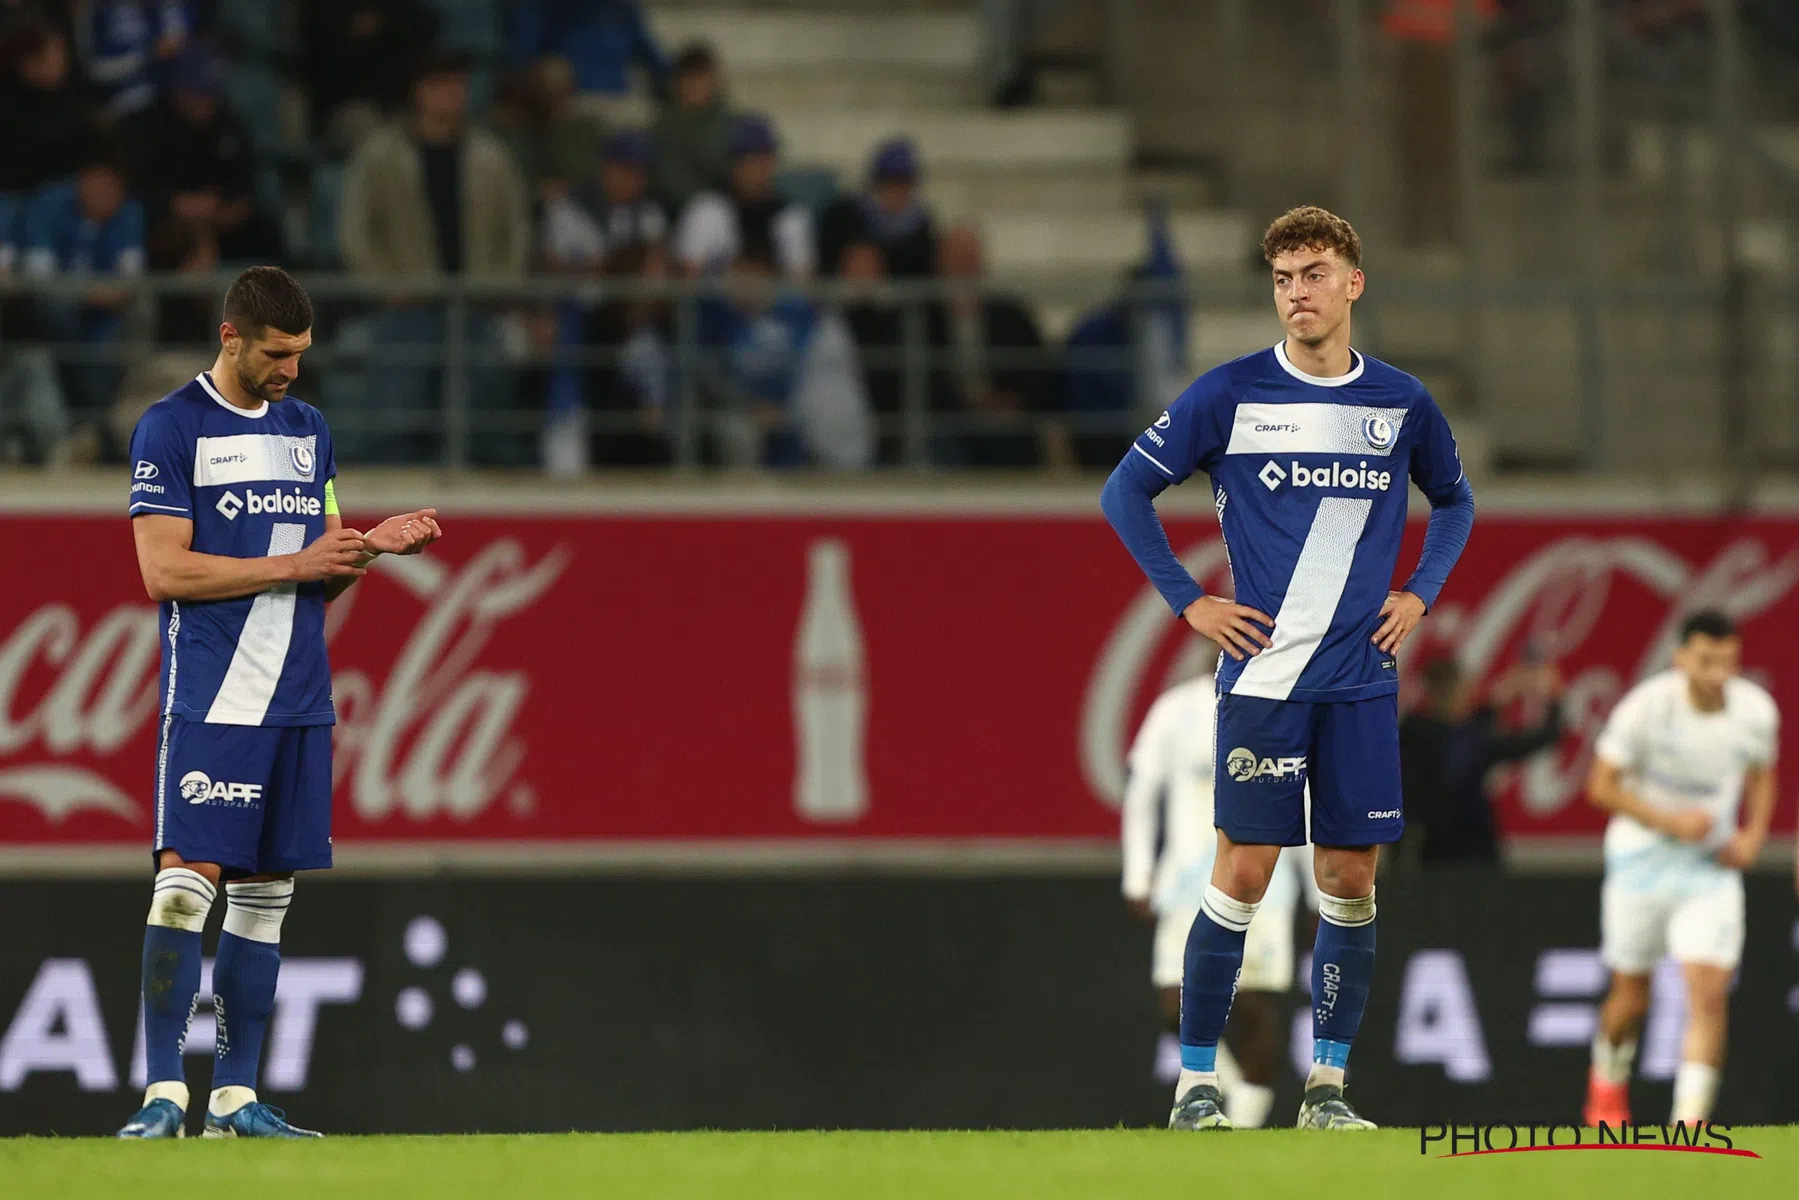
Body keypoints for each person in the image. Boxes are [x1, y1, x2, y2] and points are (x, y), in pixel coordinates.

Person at [1099, 205, 1476, 1131]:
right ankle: (1195, 1086)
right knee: (1242, 871)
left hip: (1358, 681)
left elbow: (1456, 501)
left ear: (1353, 282)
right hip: (1265, 680)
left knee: (1350, 877)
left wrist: (1418, 591)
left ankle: (1328, 1091)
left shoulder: (1399, 402)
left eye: (1312, 274)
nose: (1296, 294)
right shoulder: (1227, 395)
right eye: (1281, 279)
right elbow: (1124, 492)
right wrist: (1189, 601)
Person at [115, 266, 443, 1139]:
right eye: (276, 353)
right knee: (187, 890)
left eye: (300, 354)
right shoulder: (171, 426)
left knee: (266, 899)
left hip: (299, 695)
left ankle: (233, 1099)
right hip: (216, 696)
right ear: (231, 338)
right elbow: (163, 571)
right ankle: (160, 1096)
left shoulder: (309, 432)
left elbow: (319, 572)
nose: (291, 370)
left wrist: (363, 551)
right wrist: (297, 564)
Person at [1582, 610, 1778, 1128]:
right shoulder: (1646, 707)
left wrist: (1753, 835)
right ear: (1681, 659)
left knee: (1709, 992)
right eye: (1707, 661)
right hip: (1639, 863)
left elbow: (1761, 775)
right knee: (1631, 995)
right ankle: (1607, 1081)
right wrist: (1668, 820)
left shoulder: (1755, 711)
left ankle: (1688, 1127)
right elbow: (1600, 785)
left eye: (1728, 663)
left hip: (1708, 869)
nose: (1718, 674)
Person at [1121, 656, 1316, 1129]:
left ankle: (1244, 1119)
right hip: (1189, 881)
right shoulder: (1174, 710)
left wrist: (1316, 890)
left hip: (1265, 884)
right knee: (1174, 1000)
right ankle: (1225, 1092)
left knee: (1255, 1004)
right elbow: (1143, 791)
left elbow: (1306, 801)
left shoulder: (1283, 709)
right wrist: (1138, 876)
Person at [338, 49, 532, 464]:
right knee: (399, 420)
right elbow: (356, 230)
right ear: (420, 92)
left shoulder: (490, 157)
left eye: (458, 85)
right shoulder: (381, 155)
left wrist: (501, 286)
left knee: (479, 422)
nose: (452, 95)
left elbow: (514, 228)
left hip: (476, 304)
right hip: (408, 303)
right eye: (442, 85)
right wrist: (384, 286)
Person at [1399, 655, 1564, 865]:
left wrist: (1493, 706)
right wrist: (1554, 695)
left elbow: (1452, 730)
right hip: (1473, 852)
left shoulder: (1411, 732)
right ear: (1458, 691)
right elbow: (1545, 736)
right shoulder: (1471, 739)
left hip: (1427, 854)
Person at [673, 113, 814, 279]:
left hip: (773, 301)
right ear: (734, 164)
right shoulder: (707, 208)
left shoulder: (790, 214)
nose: (759, 169)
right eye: (750, 161)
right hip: (717, 300)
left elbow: (803, 281)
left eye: (765, 160)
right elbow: (688, 278)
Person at [817, 137, 936, 279]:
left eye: (905, 184)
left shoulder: (920, 224)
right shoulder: (844, 215)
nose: (898, 193)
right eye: (891, 183)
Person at [650, 42, 732, 214]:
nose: (697, 87)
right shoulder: (664, 125)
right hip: (667, 208)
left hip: (718, 209)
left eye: (703, 79)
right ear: (677, 83)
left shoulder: (729, 124)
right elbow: (663, 177)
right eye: (691, 79)